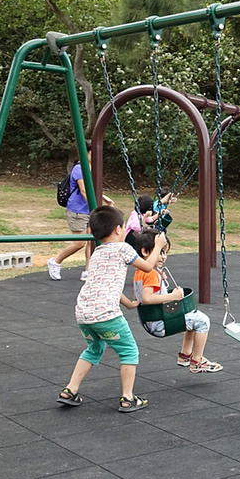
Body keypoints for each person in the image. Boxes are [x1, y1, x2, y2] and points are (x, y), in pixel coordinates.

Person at [56, 205, 165, 413]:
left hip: (83, 313)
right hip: (105, 314)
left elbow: (103, 284)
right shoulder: (123, 248)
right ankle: (127, 398)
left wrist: (128, 303)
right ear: (117, 229)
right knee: (129, 351)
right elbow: (148, 266)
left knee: (94, 348)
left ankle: (70, 390)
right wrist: (158, 245)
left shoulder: (97, 253)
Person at [129, 230, 223, 373]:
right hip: (160, 323)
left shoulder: (139, 272)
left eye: (165, 252)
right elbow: (147, 298)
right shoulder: (151, 273)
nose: (163, 256)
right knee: (203, 321)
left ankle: (185, 355)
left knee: (192, 316)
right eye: (160, 251)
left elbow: (138, 297)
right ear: (145, 252)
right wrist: (172, 296)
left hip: (150, 321)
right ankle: (197, 361)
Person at [48, 160, 114, 282]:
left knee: (91, 242)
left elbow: (92, 189)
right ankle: (56, 261)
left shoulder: (91, 167)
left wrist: (103, 198)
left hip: (88, 210)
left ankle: (88, 271)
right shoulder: (79, 168)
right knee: (80, 242)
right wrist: (96, 207)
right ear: (88, 153)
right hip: (77, 210)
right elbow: (84, 191)